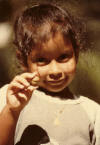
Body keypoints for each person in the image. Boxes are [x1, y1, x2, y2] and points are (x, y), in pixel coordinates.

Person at [0, 3, 100, 145]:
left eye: (63, 57)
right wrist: (12, 112)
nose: (55, 71)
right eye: (42, 60)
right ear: (23, 60)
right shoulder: (10, 98)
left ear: (76, 54)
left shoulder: (93, 113)